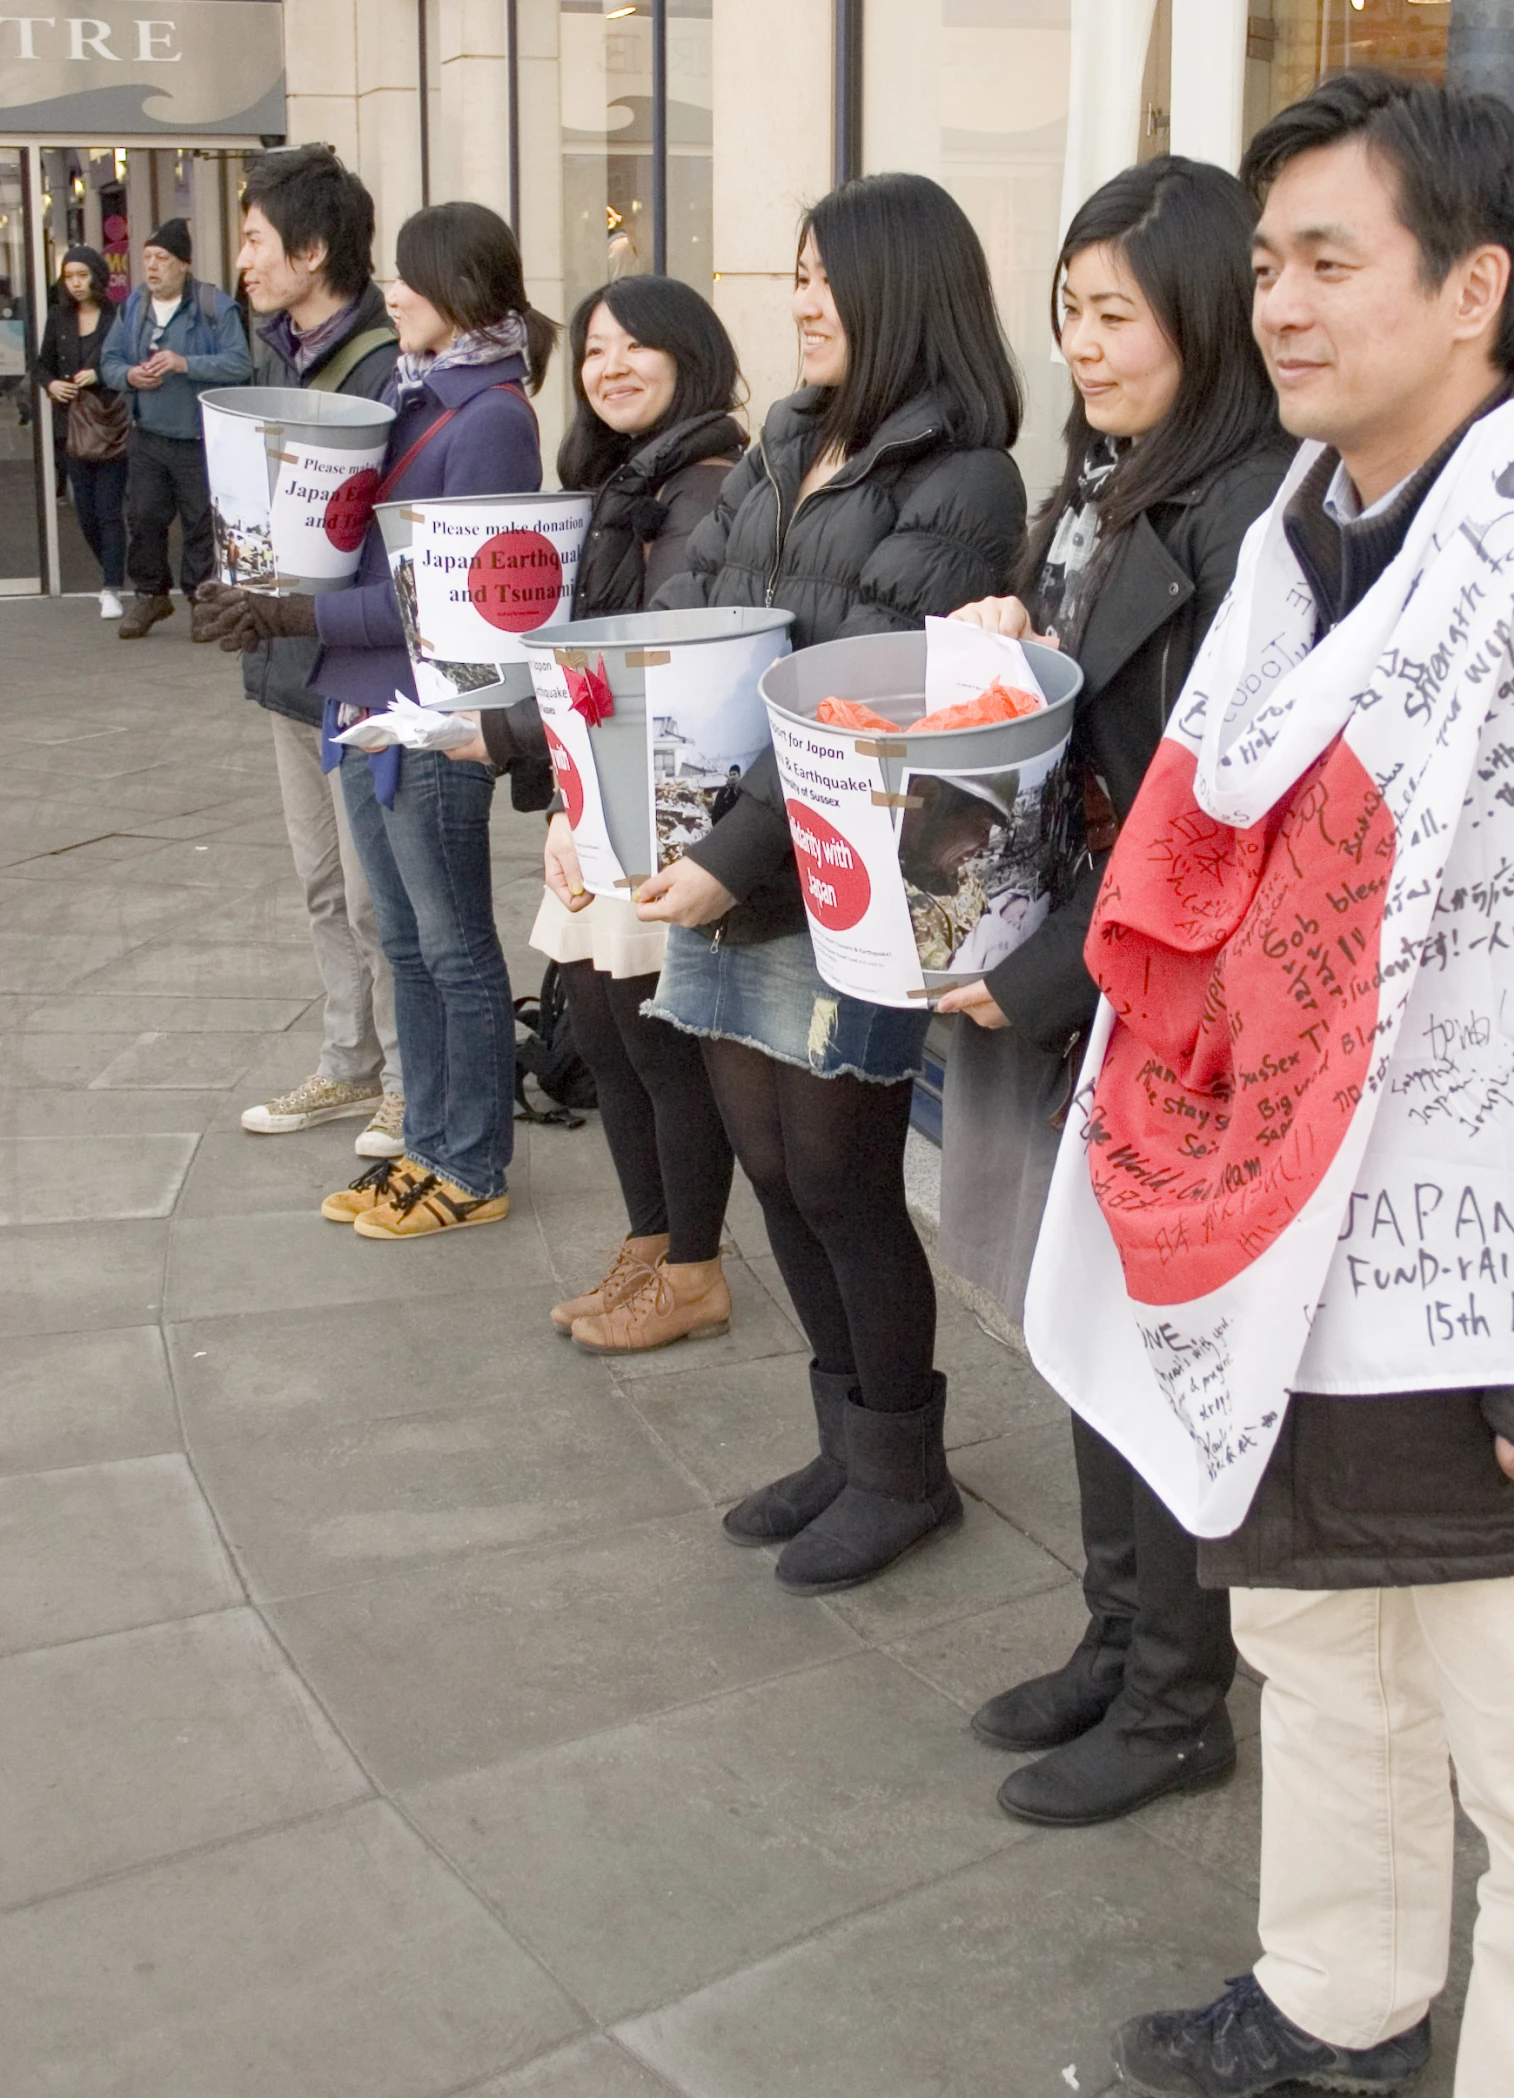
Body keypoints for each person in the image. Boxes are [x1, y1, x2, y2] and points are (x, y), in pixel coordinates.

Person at [1067, 74, 1514, 2098]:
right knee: (1318, 1648)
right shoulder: (1318, 535)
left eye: (1327, 261)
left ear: (1472, 287)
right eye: (1266, 261)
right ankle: (1332, 2005)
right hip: (1317, 1253)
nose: (1276, 303)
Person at [938, 156, 1294, 1831]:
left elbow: (1197, 810)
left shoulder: (1248, 514)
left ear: (1204, 314)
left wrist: (1036, 962)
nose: (1084, 346)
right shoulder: (1091, 487)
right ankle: (1114, 1636)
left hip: (1174, 993)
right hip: (1100, 975)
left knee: (1153, 1346)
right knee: (1086, 1324)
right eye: (1069, 312)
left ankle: (1173, 1696)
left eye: (1117, 315)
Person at [635, 171, 1028, 1594]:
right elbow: (701, 618)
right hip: (732, 864)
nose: (801, 300)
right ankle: (844, 1432)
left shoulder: (963, 475)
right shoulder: (788, 435)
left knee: (843, 1175)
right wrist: (594, 762)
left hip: (848, 883)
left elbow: (865, 697)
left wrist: (719, 854)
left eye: (826, 276)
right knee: (764, 1163)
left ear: (900, 290)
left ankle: (903, 1471)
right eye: (795, 273)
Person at [200, 202, 553, 1241]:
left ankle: (470, 1164)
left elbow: (442, 601)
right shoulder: (416, 387)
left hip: (429, 718)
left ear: (460, 286)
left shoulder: (490, 415)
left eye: (407, 276)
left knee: (453, 951)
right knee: (402, 941)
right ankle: (425, 1146)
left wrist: (289, 608)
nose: (390, 291)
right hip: (359, 704)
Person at [460, 274, 745, 1348]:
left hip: (659, 797)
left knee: (652, 1043)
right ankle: (648, 1244)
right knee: (599, 1028)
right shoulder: (626, 481)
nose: (609, 367)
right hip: (598, 789)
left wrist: (537, 765)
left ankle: (692, 1266)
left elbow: (647, 662)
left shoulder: (708, 482)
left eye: (634, 347)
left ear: (692, 357)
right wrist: (565, 804)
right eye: (592, 350)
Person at [206, 146, 407, 1162]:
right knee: (320, 883)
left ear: (313, 248)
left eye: (253, 238)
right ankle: (348, 1061)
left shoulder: (380, 365)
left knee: (383, 899)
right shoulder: (273, 347)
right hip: (283, 666)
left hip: (355, 672)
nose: (240, 258)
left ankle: (410, 1088)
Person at [99, 217, 251, 639]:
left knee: (200, 522)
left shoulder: (213, 306)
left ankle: (201, 603)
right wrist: (129, 376)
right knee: (144, 517)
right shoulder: (132, 307)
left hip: (199, 438)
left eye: (161, 259)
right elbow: (107, 363)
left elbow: (240, 364)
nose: (151, 267)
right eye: (146, 258)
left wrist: (186, 364)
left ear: (184, 264)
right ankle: (151, 595)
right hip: (147, 434)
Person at [35, 246, 127, 617]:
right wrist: (51, 384)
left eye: (82, 275)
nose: (75, 284)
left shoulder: (115, 316)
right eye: (69, 276)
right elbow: (40, 364)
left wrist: (101, 373)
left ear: (97, 276)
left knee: (108, 510)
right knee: (85, 512)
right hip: (71, 427)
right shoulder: (58, 317)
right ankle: (113, 567)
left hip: (108, 424)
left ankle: (111, 587)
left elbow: (131, 360)